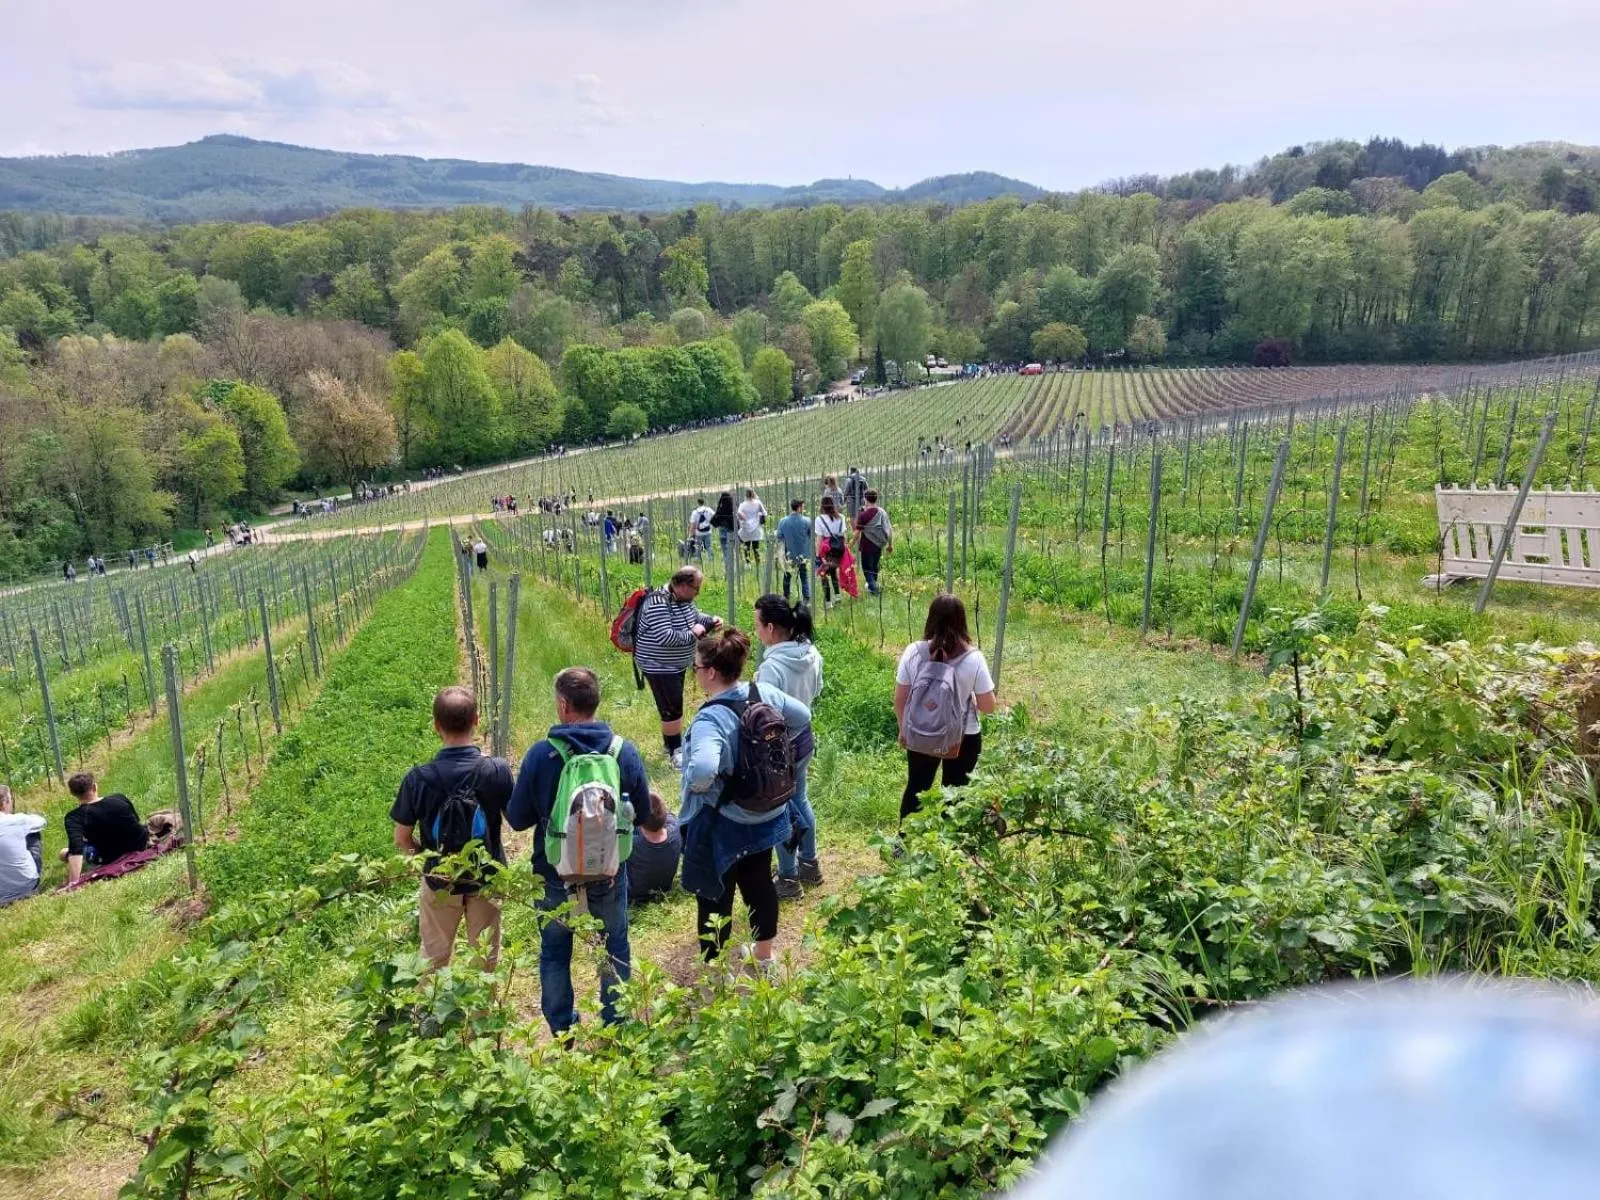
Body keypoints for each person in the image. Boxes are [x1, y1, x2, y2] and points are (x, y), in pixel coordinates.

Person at [507, 667, 651, 1035]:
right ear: (596, 702)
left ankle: (562, 1029)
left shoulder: (542, 755)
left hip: (554, 872)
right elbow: (643, 815)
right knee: (614, 943)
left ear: (563, 704)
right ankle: (617, 1025)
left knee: (555, 951)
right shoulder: (622, 751)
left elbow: (519, 819)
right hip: (607, 871)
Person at [680, 627, 810, 967]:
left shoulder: (712, 718)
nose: (694, 675)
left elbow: (703, 769)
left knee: (714, 893)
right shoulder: (763, 692)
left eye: (695, 668)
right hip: (767, 810)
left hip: (725, 817)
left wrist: (700, 785)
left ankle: (717, 971)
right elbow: (802, 717)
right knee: (759, 882)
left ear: (709, 672)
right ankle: (765, 958)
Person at [390, 687, 513, 970]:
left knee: (433, 954)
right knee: (483, 958)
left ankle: (428, 1011)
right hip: (487, 876)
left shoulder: (418, 779)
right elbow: (517, 820)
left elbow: (402, 837)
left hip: (438, 879)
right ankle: (482, 1013)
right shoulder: (495, 770)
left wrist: (426, 863)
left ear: (436, 726)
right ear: (476, 720)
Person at [894, 596, 997, 821]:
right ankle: (949, 849)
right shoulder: (974, 658)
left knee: (917, 788)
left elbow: (900, 698)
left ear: (930, 618)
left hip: (921, 732)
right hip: (963, 736)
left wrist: (904, 730)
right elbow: (988, 706)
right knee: (956, 792)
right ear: (963, 621)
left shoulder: (914, 651)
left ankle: (903, 845)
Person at [754, 595, 824, 899]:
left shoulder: (772, 667)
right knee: (800, 799)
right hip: (804, 737)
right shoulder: (810, 653)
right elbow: (816, 691)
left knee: (780, 809)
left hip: (780, 748)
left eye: (757, 624)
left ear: (770, 628)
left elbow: (766, 714)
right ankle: (810, 863)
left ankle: (788, 877)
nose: (755, 631)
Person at [633, 566, 723, 768]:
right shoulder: (657, 602)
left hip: (675, 664)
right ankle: (675, 751)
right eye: (696, 589)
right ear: (682, 585)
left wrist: (710, 620)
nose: (697, 593)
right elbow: (666, 637)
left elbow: (694, 617)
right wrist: (695, 633)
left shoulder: (683, 600)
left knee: (673, 704)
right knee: (671, 708)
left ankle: (670, 745)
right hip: (659, 665)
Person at [60, 773, 149, 886]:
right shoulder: (119, 798)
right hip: (140, 843)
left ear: (73, 793)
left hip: (111, 856)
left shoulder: (75, 817)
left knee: (62, 853)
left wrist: (73, 883)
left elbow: (76, 849)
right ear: (94, 787)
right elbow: (136, 820)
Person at [627, 791, 681, 903]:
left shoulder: (632, 844)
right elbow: (669, 816)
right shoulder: (675, 828)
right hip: (664, 888)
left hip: (635, 894)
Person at [0, 785, 45, 906]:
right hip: (26, 885)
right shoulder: (18, 820)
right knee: (33, 832)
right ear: (4, 803)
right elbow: (41, 822)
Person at [852, 489, 893, 596]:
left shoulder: (863, 515)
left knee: (867, 569)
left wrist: (849, 545)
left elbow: (857, 533)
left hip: (867, 546)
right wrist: (890, 544)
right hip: (879, 545)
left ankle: (874, 590)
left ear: (865, 499)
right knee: (874, 567)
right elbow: (889, 529)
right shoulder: (882, 512)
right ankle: (872, 587)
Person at [777, 499, 814, 604]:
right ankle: (806, 597)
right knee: (804, 575)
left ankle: (786, 596)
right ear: (799, 508)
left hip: (788, 554)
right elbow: (811, 535)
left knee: (787, 575)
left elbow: (779, 537)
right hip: (803, 554)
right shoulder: (807, 521)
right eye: (803, 506)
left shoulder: (783, 521)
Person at [814, 496, 847, 609]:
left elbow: (819, 539)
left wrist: (818, 555)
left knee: (823, 575)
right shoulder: (841, 517)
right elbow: (843, 536)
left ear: (822, 506)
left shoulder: (819, 519)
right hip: (838, 550)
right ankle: (837, 597)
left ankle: (828, 602)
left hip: (826, 551)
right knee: (833, 573)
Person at [736, 489, 767, 566]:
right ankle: (757, 563)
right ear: (753, 494)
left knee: (746, 546)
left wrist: (744, 517)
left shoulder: (743, 504)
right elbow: (764, 513)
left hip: (746, 528)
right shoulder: (758, 503)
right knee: (756, 547)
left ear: (746, 495)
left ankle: (748, 563)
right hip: (756, 528)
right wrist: (759, 515)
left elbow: (739, 514)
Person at [710, 491, 736, 556]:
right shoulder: (733, 508)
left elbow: (713, 520)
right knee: (731, 549)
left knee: (725, 549)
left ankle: (727, 563)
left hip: (722, 530)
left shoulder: (721, 509)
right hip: (731, 530)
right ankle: (732, 562)